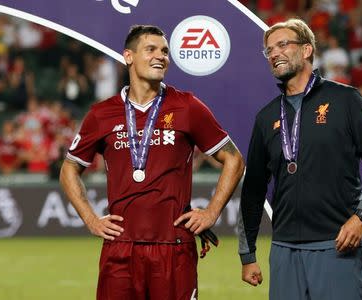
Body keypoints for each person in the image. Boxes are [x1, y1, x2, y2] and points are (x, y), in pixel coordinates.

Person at [60, 25, 244, 300]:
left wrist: (211, 212)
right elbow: (69, 169)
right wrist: (90, 219)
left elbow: (234, 158)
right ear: (129, 56)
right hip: (120, 247)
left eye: (165, 51)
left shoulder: (188, 106)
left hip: (174, 245)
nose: (161, 56)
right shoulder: (102, 114)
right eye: (151, 49)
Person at [238, 18, 362, 300]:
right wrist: (247, 254)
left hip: (336, 247)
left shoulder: (345, 99)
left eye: (283, 44)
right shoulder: (266, 117)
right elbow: (253, 190)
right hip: (284, 251)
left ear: (307, 50)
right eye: (269, 50)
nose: (274, 53)